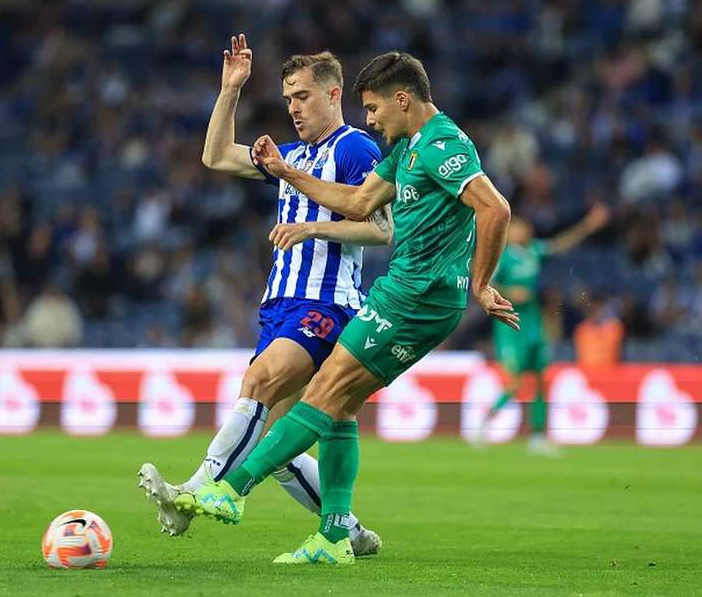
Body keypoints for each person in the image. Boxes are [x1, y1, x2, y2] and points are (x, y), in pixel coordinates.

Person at [172, 51, 518, 565]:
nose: (371, 119)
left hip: (418, 294)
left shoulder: (441, 143)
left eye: (375, 107)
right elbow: (357, 203)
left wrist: (481, 283)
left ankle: (230, 486)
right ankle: (334, 536)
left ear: (403, 99)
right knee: (339, 406)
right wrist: (284, 168)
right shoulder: (404, 148)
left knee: (327, 387)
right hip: (402, 288)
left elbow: (495, 208)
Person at [137, 34, 390, 556]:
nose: (293, 107)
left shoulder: (354, 148)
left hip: (326, 305)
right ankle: (348, 529)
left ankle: (198, 490)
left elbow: (382, 228)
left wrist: (313, 229)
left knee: (260, 379)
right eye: (287, 99)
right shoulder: (291, 156)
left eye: (301, 96)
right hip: (280, 307)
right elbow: (215, 157)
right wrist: (230, 89)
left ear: (333, 93)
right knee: (279, 440)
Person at [477, 204, 611, 455]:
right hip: (510, 325)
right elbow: (485, 285)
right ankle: (484, 424)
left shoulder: (533, 251)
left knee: (541, 380)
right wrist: (509, 292)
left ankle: (537, 438)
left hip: (534, 325)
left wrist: (588, 225)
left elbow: (560, 244)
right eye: (516, 227)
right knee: (515, 382)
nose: (521, 231)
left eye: (524, 227)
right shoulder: (502, 256)